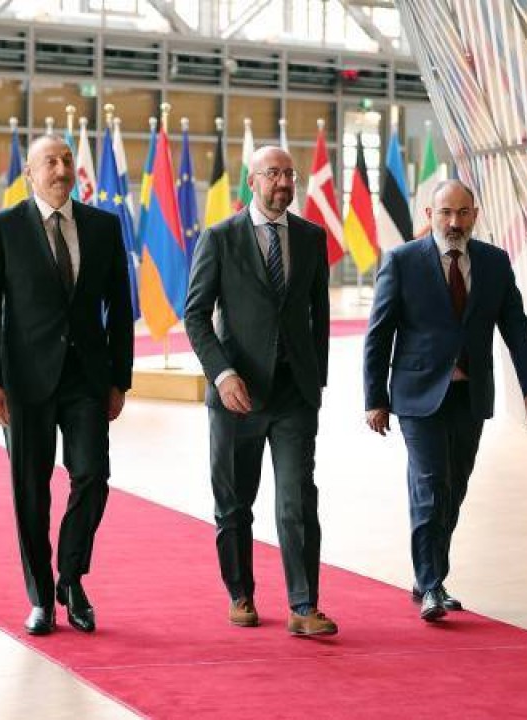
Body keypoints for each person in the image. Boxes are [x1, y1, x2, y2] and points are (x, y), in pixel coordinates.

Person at [0, 135, 134, 636]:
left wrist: (119, 379)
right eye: (50, 163)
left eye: (66, 161)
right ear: (31, 174)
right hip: (24, 384)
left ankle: (71, 577)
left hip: (86, 379)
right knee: (31, 491)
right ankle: (41, 598)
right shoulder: (2, 228)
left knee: (93, 476)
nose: (61, 170)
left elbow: (120, 308)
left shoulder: (104, 226)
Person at [363, 179, 527, 622]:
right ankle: (432, 583)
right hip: (417, 396)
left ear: (475, 215)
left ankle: (426, 575)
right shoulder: (402, 262)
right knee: (430, 485)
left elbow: (516, 327)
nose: (454, 222)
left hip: (470, 395)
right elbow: (379, 334)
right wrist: (375, 398)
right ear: (430, 215)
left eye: (463, 213)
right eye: (445, 212)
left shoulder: (495, 263)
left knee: (453, 489)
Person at [185, 145, 336, 637]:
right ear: (252, 181)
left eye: (290, 174)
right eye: (273, 174)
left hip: (294, 396)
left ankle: (304, 605)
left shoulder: (311, 238)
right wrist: (222, 375)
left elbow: (319, 316)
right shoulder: (220, 238)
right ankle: (240, 593)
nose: (284, 182)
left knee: (297, 500)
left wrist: (317, 381)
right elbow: (195, 315)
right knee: (234, 504)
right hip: (238, 396)